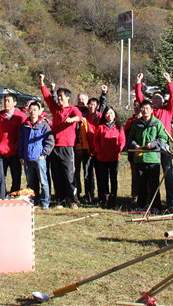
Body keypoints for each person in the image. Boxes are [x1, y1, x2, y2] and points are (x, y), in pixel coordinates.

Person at [39, 73, 83, 208]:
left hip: (67, 147)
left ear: (68, 98)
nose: (59, 98)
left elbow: (80, 117)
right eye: (58, 96)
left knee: (69, 175)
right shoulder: (56, 109)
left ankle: (73, 200)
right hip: (54, 147)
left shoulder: (72, 109)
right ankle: (60, 200)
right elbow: (47, 97)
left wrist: (72, 119)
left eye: (61, 96)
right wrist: (42, 82)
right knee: (56, 175)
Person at [135, 72, 173, 210]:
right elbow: (140, 99)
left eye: (157, 99)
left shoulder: (167, 111)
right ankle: (150, 200)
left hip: (164, 145)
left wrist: (169, 81)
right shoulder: (150, 112)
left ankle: (170, 201)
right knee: (150, 175)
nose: (154, 101)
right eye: (153, 99)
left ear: (163, 101)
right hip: (150, 146)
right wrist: (138, 82)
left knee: (167, 173)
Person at [127, 100, 169, 213]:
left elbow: (163, 138)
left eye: (147, 108)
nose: (144, 110)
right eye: (143, 108)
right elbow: (130, 139)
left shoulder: (157, 123)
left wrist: (153, 144)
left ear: (151, 110)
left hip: (153, 158)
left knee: (154, 184)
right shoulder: (136, 124)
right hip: (139, 158)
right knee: (141, 184)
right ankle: (141, 205)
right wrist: (135, 145)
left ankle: (156, 206)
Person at [18, 100, 55, 210]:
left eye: (35, 110)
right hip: (27, 157)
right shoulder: (25, 125)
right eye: (31, 109)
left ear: (39, 111)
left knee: (43, 181)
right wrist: (21, 155)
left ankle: (45, 202)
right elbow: (21, 142)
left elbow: (50, 141)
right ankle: (32, 200)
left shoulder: (44, 125)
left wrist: (44, 154)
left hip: (39, 158)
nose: (33, 112)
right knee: (30, 182)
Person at [75, 86, 108, 204]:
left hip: (99, 150)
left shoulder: (101, 117)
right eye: (90, 105)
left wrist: (104, 94)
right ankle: (89, 195)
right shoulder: (84, 118)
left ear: (97, 106)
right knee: (87, 174)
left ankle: (101, 197)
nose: (92, 107)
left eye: (94, 105)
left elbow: (104, 105)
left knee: (100, 174)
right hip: (87, 150)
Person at [0, 93, 27, 199]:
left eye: (9, 101)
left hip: (15, 153)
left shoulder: (20, 116)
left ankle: (14, 195)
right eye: (5, 101)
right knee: (0, 176)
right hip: (1, 153)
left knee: (16, 176)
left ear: (15, 103)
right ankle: (2, 197)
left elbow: (23, 134)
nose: (6, 103)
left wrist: (17, 147)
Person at [93, 105, 125, 208]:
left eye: (111, 113)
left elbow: (122, 141)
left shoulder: (119, 127)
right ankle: (104, 198)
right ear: (104, 115)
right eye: (107, 113)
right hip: (102, 158)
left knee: (113, 178)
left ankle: (113, 198)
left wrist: (118, 150)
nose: (109, 115)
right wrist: (99, 151)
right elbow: (96, 140)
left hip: (114, 157)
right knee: (103, 179)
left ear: (115, 114)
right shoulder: (101, 126)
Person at [123, 100, 141, 206]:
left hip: (145, 151)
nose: (137, 108)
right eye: (135, 106)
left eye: (139, 106)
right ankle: (135, 196)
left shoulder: (147, 119)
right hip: (133, 152)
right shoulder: (130, 121)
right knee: (135, 175)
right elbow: (127, 136)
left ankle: (146, 196)